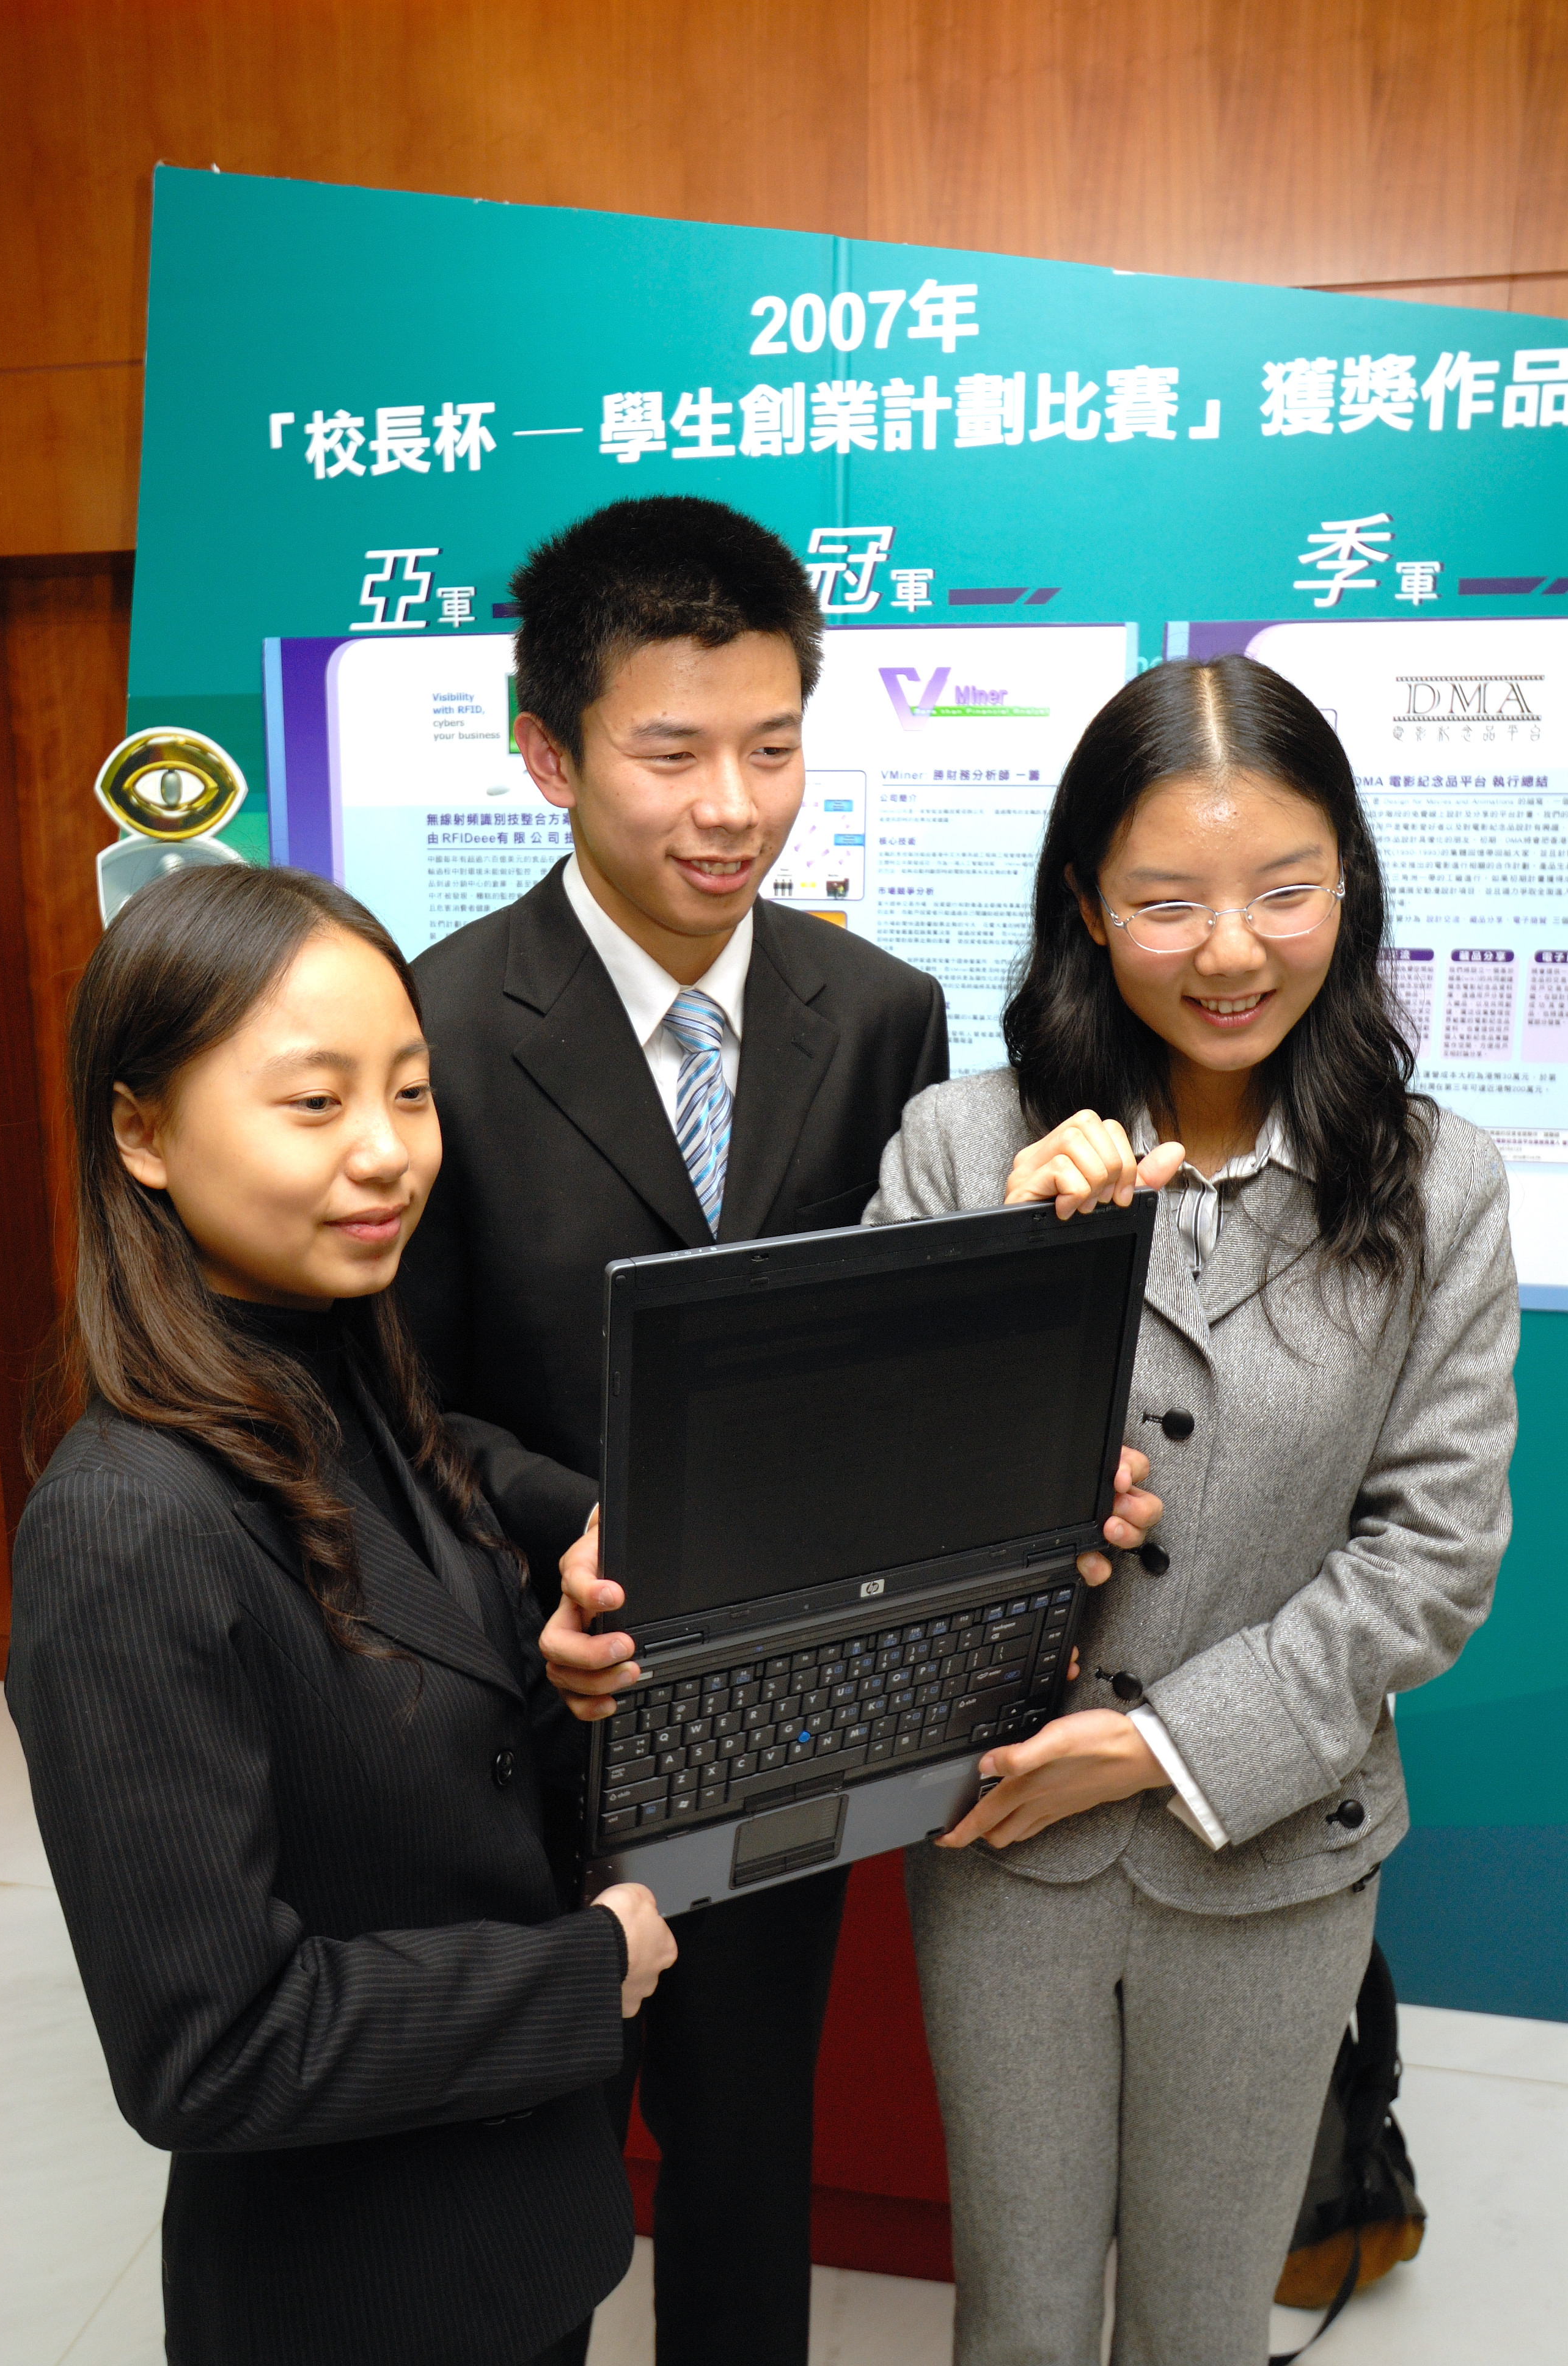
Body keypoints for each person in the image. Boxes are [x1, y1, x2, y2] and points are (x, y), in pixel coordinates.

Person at [396, 491, 1167, 2366]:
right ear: (546, 755)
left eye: (772, 746)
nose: (732, 807)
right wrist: (580, 1533)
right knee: (539, 2180)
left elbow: (918, 1342)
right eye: (670, 753)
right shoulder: (435, 1022)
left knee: (752, 2157)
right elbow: (409, 1415)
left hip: (787, 1714)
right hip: (527, 1713)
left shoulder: (883, 1013)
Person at [863, 654, 1519, 2366]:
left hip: (1279, 1851)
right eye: (1168, 903)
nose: (1233, 951)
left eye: (1285, 891)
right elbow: (877, 1518)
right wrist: (1017, 1271)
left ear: (1349, 888)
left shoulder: (1439, 1180)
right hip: (1007, 1844)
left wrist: (1156, 1748)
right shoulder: (960, 1144)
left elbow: (1431, 1560)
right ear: (1085, 903)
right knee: (1013, 2307)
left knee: (1206, 2315)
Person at [7, 865, 676, 2366]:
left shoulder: (353, 1369)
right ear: (141, 1131)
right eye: (314, 1105)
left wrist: (542, 1668)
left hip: (513, 2237)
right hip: (354, 2296)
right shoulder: (127, 1528)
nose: (388, 1155)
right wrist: (587, 1966)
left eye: (413, 1093)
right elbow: (212, 2048)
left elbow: (414, 1716)